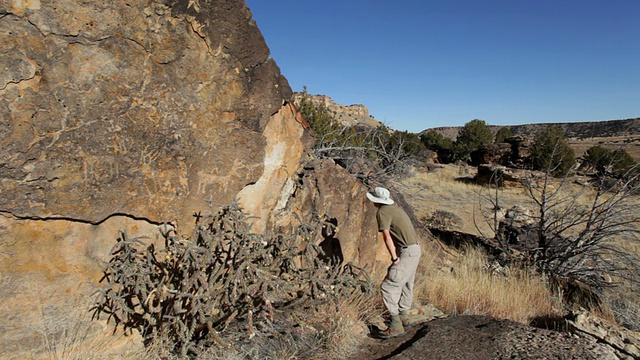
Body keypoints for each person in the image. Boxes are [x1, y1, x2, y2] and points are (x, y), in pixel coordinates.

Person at [367, 187, 421, 339]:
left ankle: (395, 325)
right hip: (415, 249)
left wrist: (394, 258)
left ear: (375, 200)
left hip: (406, 252)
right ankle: (404, 317)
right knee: (406, 284)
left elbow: (386, 236)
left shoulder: (383, 212)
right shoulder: (396, 209)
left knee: (389, 285)